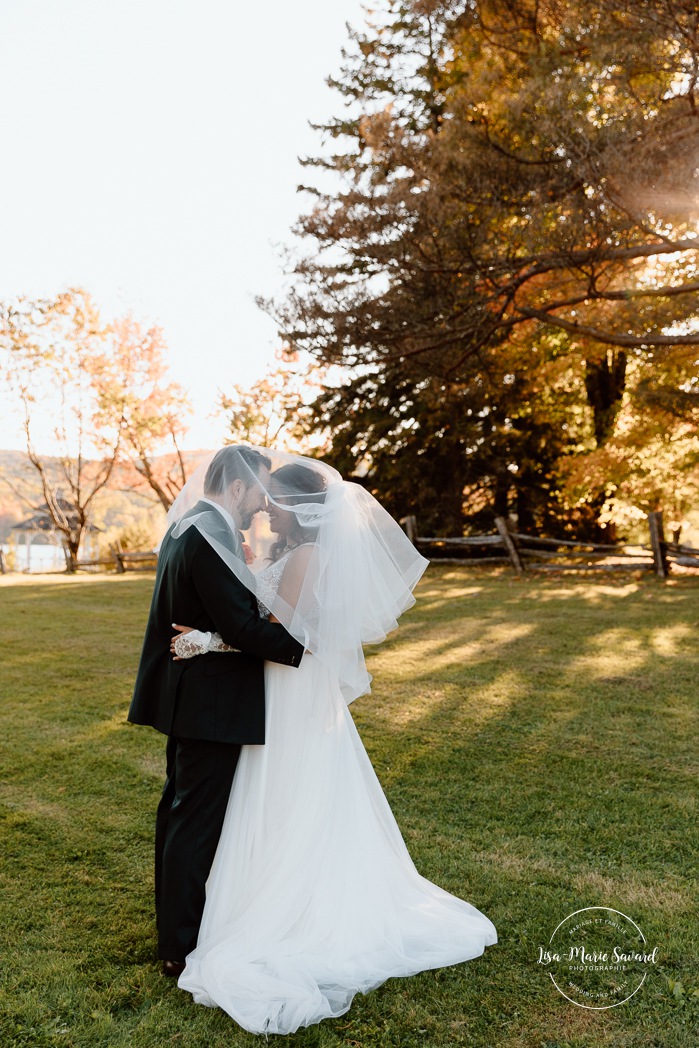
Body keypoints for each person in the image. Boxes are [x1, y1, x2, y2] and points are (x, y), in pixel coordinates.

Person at [163, 447, 497, 1035]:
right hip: (280, 688)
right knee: (280, 793)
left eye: (276, 501)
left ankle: (277, 905)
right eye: (263, 498)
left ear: (301, 507)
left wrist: (206, 641)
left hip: (288, 689)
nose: (267, 509)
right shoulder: (292, 552)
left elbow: (280, 632)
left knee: (287, 792)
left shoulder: (307, 555)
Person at [128, 446, 305, 978]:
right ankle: (179, 945)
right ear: (235, 487)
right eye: (257, 492)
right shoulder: (210, 533)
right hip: (208, 701)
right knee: (195, 821)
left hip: (189, 695)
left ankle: (174, 927)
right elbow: (242, 627)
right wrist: (304, 644)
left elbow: (218, 611)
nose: (260, 505)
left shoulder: (187, 525)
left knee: (180, 813)